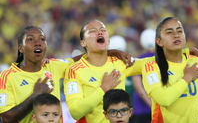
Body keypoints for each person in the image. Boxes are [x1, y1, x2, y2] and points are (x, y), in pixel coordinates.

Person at [0, 25, 132, 123]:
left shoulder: (53, 66)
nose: (37, 42)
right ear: (20, 48)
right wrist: (36, 94)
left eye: (42, 39)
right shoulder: (8, 76)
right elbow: (6, 118)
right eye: (30, 39)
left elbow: (84, 57)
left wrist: (112, 51)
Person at [64, 20, 153, 123]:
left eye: (103, 30)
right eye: (93, 31)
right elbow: (75, 112)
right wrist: (103, 88)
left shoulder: (121, 63)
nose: (100, 32)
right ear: (83, 42)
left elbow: (153, 61)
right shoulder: (74, 71)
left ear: (108, 41)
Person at [142, 17, 198, 123]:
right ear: (159, 42)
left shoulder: (197, 61)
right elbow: (164, 99)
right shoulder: (151, 68)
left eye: (179, 31)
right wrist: (188, 77)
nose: (176, 35)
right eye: (169, 32)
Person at [131, 29, 155, 123]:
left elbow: (138, 86)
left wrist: (150, 104)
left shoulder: (138, 60)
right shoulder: (163, 59)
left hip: (141, 109)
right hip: (161, 106)